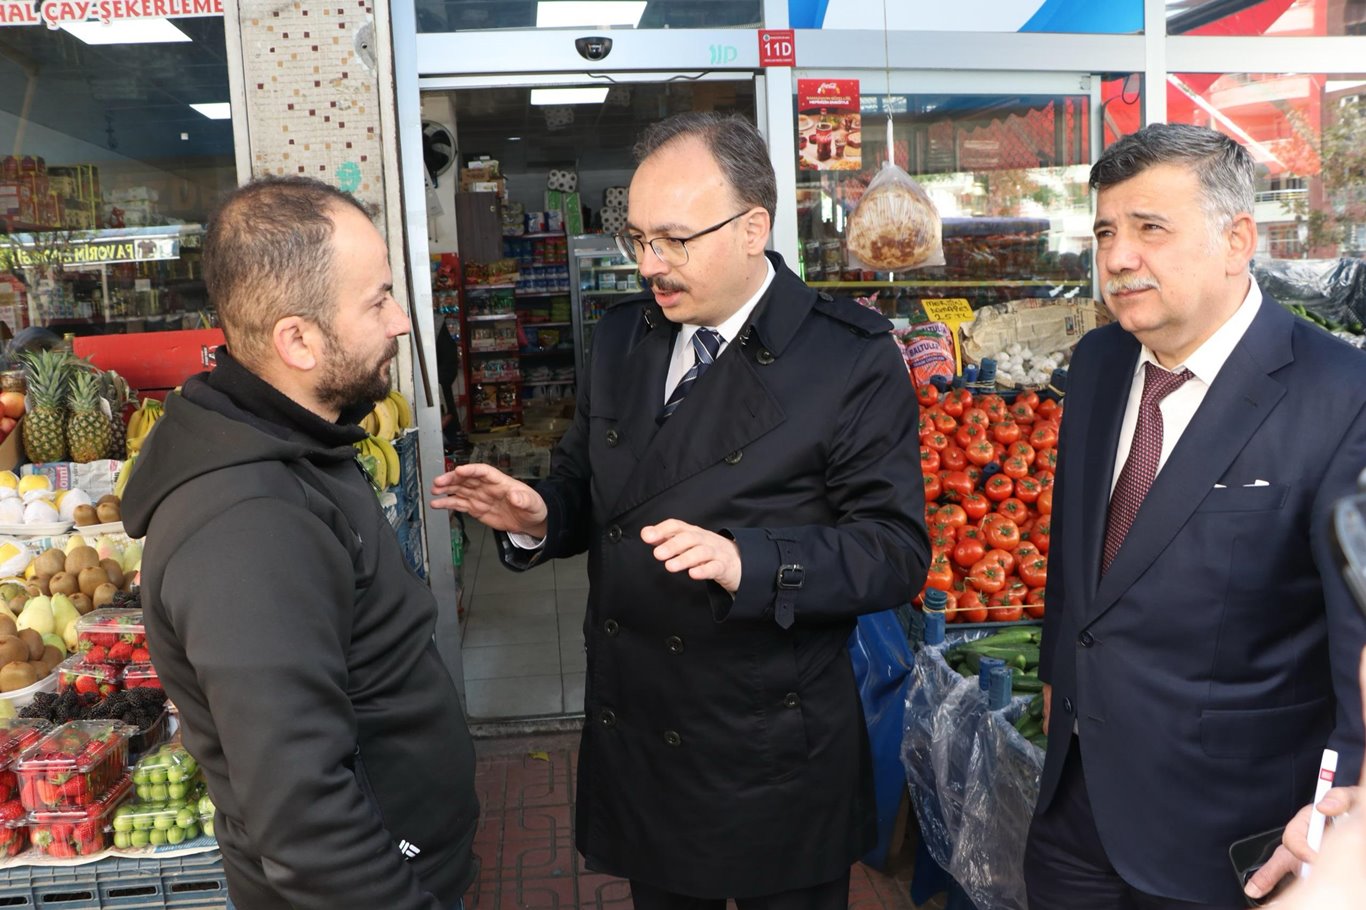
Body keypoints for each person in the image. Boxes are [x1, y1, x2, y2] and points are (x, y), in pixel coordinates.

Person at [431, 112, 929, 909]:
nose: (648, 265)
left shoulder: (849, 356)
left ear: (753, 229)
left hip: (773, 745)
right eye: (636, 238)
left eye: (673, 240)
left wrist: (748, 561)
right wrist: (538, 515)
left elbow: (894, 550)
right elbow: (589, 488)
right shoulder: (622, 337)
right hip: (645, 732)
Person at [1025, 122, 1366, 908]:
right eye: (1105, 232)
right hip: (1075, 806)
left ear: (1236, 240)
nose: (1117, 257)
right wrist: (1055, 674)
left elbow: (1359, 641)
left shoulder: (1341, 397)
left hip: (1232, 833)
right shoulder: (1100, 361)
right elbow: (1075, 550)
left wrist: (1343, 812)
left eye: (1150, 228)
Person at [122, 176, 478, 910]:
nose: (401, 322)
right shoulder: (247, 528)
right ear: (298, 341)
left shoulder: (301, 444)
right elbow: (305, 819)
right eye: (378, 300)